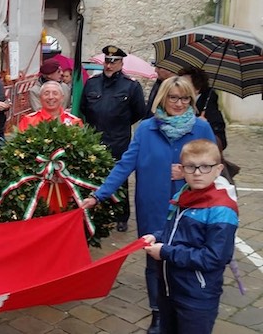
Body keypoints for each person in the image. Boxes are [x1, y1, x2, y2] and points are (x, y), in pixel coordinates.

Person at [81, 76, 216, 334]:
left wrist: (188, 172)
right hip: (152, 206)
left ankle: (182, 308)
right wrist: (99, 194)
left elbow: (215, 167)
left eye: (185, 98)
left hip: (191, 208)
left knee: (185, 258)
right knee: (154, 260)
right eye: (173, 97)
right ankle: (158, 312)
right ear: (162, 98)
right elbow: (125, 164)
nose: (179, 103)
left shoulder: (201, 129)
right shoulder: (146, 129)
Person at [143, 139, 238, 334]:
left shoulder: (222, 209)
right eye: (190, 167)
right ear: (181, 169)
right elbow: (174, 231)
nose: (197, 173)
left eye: (205, 167)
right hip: (170, 288)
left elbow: (215, 257)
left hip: (197, 295)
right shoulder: (183, 194)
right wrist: (157, 236)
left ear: (218, 169)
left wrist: (166, 252)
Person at [80, 45, 146, 232]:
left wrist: (119, 125)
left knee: (120, 178)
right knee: (93, 176)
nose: (109, 65)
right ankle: (97, 211)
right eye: (107, 61)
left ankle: (121, 216)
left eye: (114, 61)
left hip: (118, 140)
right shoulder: (92, 83)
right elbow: (84, 107)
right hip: (94, 139)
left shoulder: (131, 86)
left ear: (121, 63)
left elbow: (139, 112)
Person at [177, 67, 240, 181]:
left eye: (184, 84)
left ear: (196, 89)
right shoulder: (175, 105)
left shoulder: (209, 109)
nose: (179, 87)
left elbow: (221, 142)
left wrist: (205, 128)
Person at [18, 81, 83, 132]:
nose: (51, 97)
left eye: (55, 93)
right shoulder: (28, 120)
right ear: (40, 98)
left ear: (62, 98)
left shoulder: (74, 121)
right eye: (46, 93)